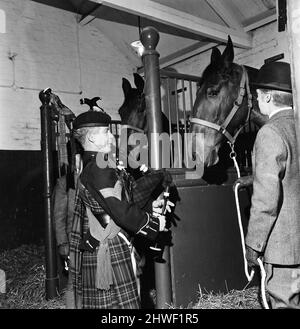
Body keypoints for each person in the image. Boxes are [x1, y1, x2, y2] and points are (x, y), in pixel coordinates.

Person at [69, 110, 170, 309]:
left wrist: (150, 206)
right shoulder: (99, 168)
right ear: (91, 137)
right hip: (112, 246)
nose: (110, 136)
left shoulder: (96, 164)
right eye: (105, 132)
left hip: (107, 242)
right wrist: (154, 223)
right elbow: (121, 211)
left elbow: (122, 198)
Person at [243, 61, 300, 309]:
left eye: (257, 96)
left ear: (267, 97)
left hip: (284, 250)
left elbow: (266, 200)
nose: (256, 102)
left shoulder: (270, 133)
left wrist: (253, 244)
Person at [52, 140, 83, 308]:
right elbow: (59, 217)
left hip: (94, 240)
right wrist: (63, 244)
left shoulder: (92, 177)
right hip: (74, 242)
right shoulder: (65, 182)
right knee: (73, 284)